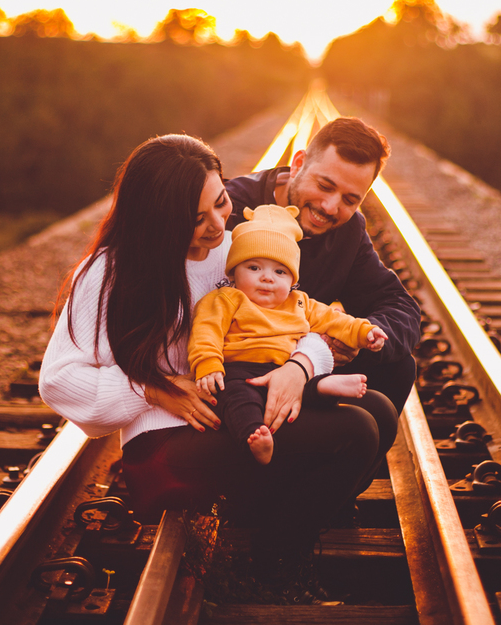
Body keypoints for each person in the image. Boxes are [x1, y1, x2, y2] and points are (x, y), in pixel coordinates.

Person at [38, 134, 385, 545]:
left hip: (235, 408)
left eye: (221, 203)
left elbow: (296, 312)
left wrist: (300, 366)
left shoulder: (233, 251)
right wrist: (153, 389)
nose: (219, 225)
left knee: (378, 409)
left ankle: (269, 525)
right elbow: (57, 381)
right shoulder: (110, 272)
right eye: (197, 218)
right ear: (158, 217)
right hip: (166, 446)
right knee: (356, 431)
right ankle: (269, 560)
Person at [224, 117, 422, 474]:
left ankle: (333, 496)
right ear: (298, 163)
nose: (331, 207)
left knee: (398, 364)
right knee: (367, 416)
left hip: (303, 366)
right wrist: (309, 351)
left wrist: (359, 336)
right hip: (238, 371)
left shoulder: (348, 232)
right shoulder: (235, 207)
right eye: (325, 185)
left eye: (350, 199)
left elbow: (399, 307)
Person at [189, 204, 387, 464]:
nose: (267, 278)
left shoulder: (300, 302)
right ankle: (254, 435)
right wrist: (207, 364)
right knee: (236, 399)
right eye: (254, 268)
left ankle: (327, 386)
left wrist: (364, 331)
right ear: (234, 272)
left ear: (292, 280)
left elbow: (334, 320)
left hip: (284, 370)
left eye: (279, 271)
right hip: (239, 371)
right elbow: (207, 330)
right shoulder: (227, 298)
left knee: (306, 389)